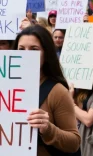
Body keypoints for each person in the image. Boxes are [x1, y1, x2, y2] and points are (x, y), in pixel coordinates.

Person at [14, 25, 80, 155]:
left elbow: (74, 143)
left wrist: (48, 128)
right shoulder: (5, 87)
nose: (26, 55)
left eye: (34, 49)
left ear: (46, 53)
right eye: (21, 49)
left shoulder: (58, 91)